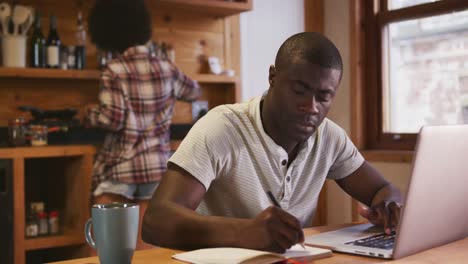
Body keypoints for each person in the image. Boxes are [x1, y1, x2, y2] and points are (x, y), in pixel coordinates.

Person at [142, 32, 402, 253]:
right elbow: (157, 221)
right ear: (273, 77)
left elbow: (383, 189)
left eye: (323, 96)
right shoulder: (222, 127)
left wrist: (390, 208)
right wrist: (244, 233)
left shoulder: (329, 137)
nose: (311, 107)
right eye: (299, 90)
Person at [85, 0, 200, 249]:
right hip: (155, 165)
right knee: (146, 242)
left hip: (121, 166)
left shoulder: (114, 69)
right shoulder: (166, 67)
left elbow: (112, 119)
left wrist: (88, 115)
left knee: (107, 243)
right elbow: (193, 91)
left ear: (105, 32)